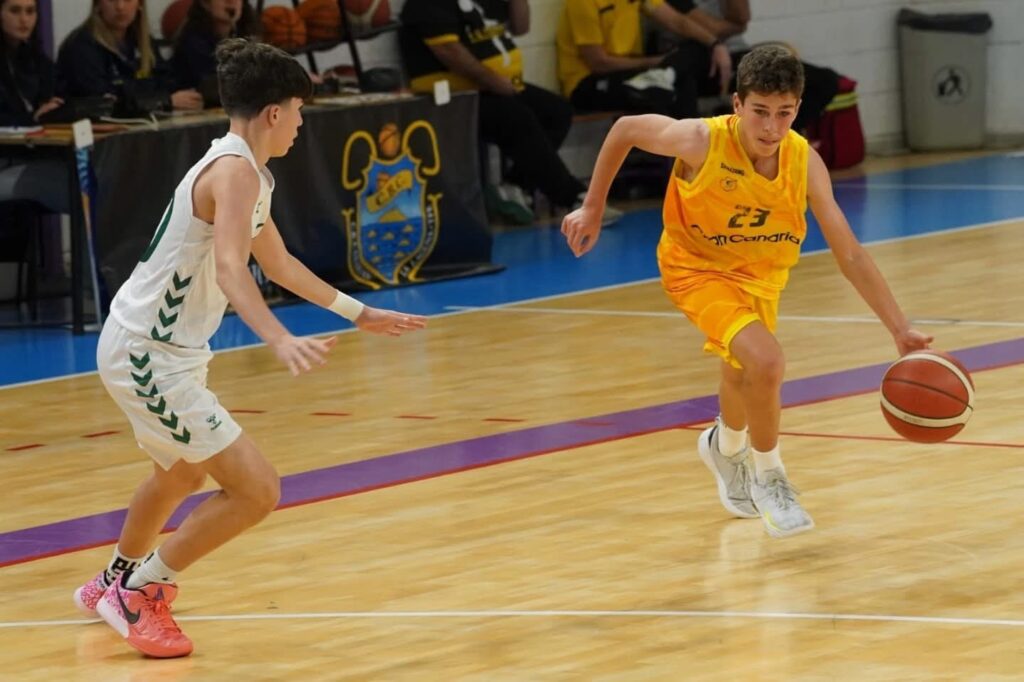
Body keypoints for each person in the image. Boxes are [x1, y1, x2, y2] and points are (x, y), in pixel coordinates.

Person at [72, 38, 427, 658]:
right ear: (273, 112)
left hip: (157, 347)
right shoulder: (233, 172)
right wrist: (278, 337)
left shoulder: (245, 170)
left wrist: (357, 312)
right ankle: (139, 591)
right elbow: (234, 271)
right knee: (257, 490)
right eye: (298, 110)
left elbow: (279, 262)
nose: (298, 123)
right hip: (148, 352)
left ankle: (114, 578)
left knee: (179, 472)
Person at [561, 45, 932, 538]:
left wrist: (900, 328)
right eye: (759, 112)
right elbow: (626, 128)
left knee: (743, 375)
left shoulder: (804, 161)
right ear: (737, 104)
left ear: (797, 109)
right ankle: (770, 477)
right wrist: (592, 207)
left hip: (761, 274)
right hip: (695, 268)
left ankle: (726, 446)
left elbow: (850, 253)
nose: (771, 128)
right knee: (768, 362)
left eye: (784, 114)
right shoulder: (701, 141)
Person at [400, 0, 620, 225]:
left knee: (556, 111)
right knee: (516, 117)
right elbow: (449, 51)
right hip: (454, 96)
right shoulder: (426, 5)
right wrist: (493, 81)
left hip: (495, 86)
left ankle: (514, 186)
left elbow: (521, 27)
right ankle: (573, 197)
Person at [658, 0, 840, 133]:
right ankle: (698, 156)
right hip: (696, 60)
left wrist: (732, 27)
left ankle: (774, 140)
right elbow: (714, 29)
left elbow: (742, 19)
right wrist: (727, 31)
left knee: (824, 80)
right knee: (682, 83)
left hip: (736, 55)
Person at [556, 0, 733, 119]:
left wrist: (715, 44)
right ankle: (682, 161)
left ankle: (693, 161)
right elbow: (598, 63)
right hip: (588, 82)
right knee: (664, 91)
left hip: (634, 72)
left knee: (695, 52)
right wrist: (654, 63)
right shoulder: (581, 2)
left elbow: (677, 21)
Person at [57, 0, 203, 114]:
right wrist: (164, 100)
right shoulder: (81, 46)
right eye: (111, 0)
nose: (120, 7)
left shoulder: (143, 41)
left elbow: (167, 82)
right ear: (98, 4)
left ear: (139, 4)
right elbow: (104, 101)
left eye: (128, 0)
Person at [0, 0, 67, 212]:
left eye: (30, 11)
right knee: (78, 187)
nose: (24, 19)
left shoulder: (34, 58)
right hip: (5, 161)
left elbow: (57, 94)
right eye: (15, 11)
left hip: (25, 159)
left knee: (89, 178)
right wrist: (33, 120)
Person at [171, 0, 260, 106]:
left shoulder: (243, 35)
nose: (231, 1)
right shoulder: (193, 40)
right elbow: (214, 86)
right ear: (205, 3)